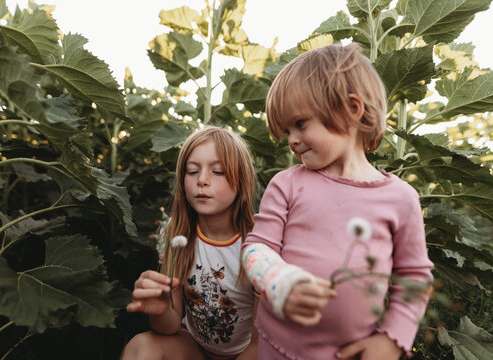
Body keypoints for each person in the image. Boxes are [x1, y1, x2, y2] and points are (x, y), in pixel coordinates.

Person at [241, 44, 434, 360]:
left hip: (349, 353)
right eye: (286, 130)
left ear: (352, 109)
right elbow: (255, 249)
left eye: (300, 124)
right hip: (277, 347)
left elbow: (414, 277)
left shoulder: (400, 198)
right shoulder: (288, 183)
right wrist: (280, 281)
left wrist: (391, 340)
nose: (291, 139)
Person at [122, 126, 259, 360]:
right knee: (140, 347)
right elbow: (169, 326)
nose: (202, 180)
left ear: (241, 180)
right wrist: (162, 309)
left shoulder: (257, 243)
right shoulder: (177, 234)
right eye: (192, 171)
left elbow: (260, 343)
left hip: (248, 353)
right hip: (194, 348)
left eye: (218, 171)